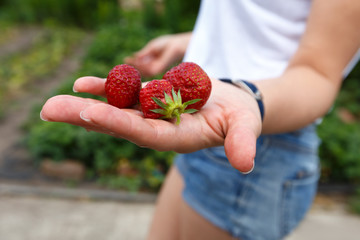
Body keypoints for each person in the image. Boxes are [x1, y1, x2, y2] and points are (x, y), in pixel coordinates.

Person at [40, 0, 360, 239]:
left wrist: (248, 97)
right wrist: (192, 39)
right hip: (200, 122)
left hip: (258, 140)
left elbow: (319, 73)